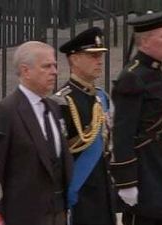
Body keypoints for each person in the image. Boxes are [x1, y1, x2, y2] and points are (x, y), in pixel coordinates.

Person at [111, 11, 162, 225]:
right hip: (145, 176)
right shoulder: (132, 77)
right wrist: (127, 182)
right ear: (145, 41)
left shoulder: (156, 72)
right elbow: (122, 134)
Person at [0, 41, 73, 225]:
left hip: (58, 214)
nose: (54, 72)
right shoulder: (5, 111)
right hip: (23, 216)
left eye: (55, 66)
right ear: (25, 71)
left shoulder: (53, 107)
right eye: (46, 66)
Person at [52, 27, 116, 225]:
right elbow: (59, 157)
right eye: (92, 55)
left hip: (103, 192)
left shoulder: (101, 97)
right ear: (74, 59)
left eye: (100, 55)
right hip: (80, 195)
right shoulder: (62, 102)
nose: (99, 60)